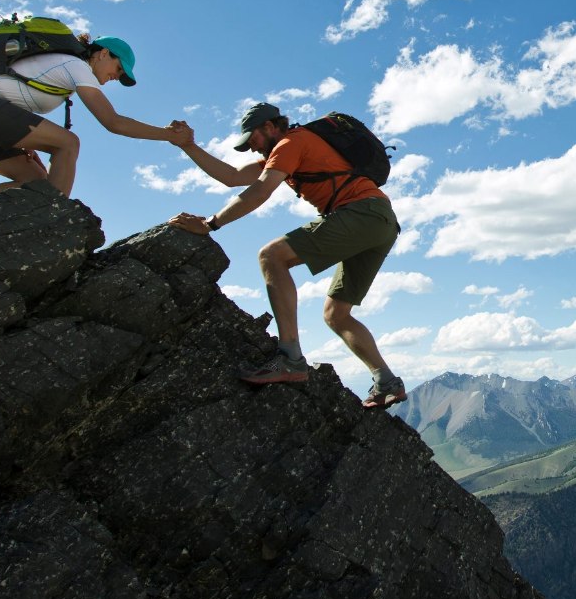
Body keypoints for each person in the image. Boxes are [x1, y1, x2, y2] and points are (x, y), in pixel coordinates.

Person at [168, 102, 407, 409]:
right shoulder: (290, 150)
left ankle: (289, 357)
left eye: (252, 139)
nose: (252, 149)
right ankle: (386, 380)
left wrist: (210, 224)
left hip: (361, 213)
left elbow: (260, 191)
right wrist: (189, 146)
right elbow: (231, 176)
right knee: (336, 315)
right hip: (381, 221)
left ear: (269, 127)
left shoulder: (291, 142)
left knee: (271, 256)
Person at [0, 33, 186, 209]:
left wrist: (27, 142)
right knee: (68, 144)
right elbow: (113, 122)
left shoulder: (60, 72)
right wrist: (169, 135)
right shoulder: (75, 66)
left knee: (36, 186)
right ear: (103, 53)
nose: (117, 77)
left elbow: (9, 96)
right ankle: (54, 218)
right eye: (119, 68)